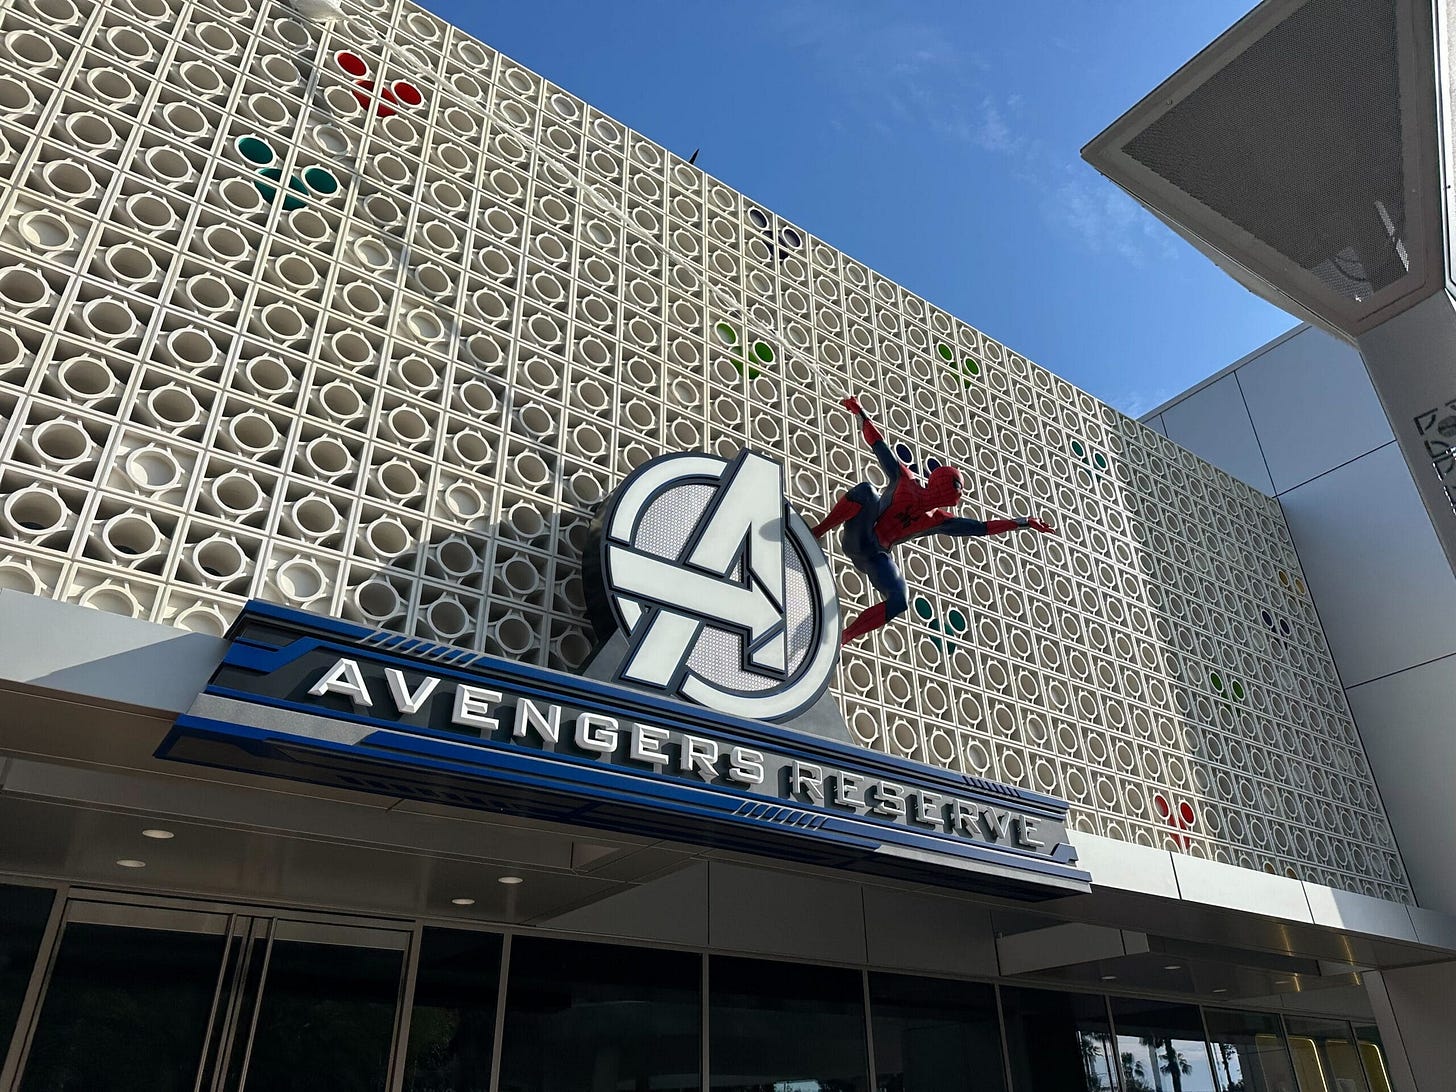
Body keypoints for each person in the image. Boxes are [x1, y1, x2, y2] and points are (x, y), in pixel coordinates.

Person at [812, 396, 1057, 644]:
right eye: (954, 487)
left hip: (877, 555)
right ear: (938, 481)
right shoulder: (904, 481)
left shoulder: (939, 519)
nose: (956, 495)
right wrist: (860, 413)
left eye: (957, 492)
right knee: (867, 492)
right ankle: (818, 531)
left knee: (900, 600)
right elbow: (879, 445)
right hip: (861, 535)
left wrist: (1023, 522)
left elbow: (980, 528)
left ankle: (846, 636)